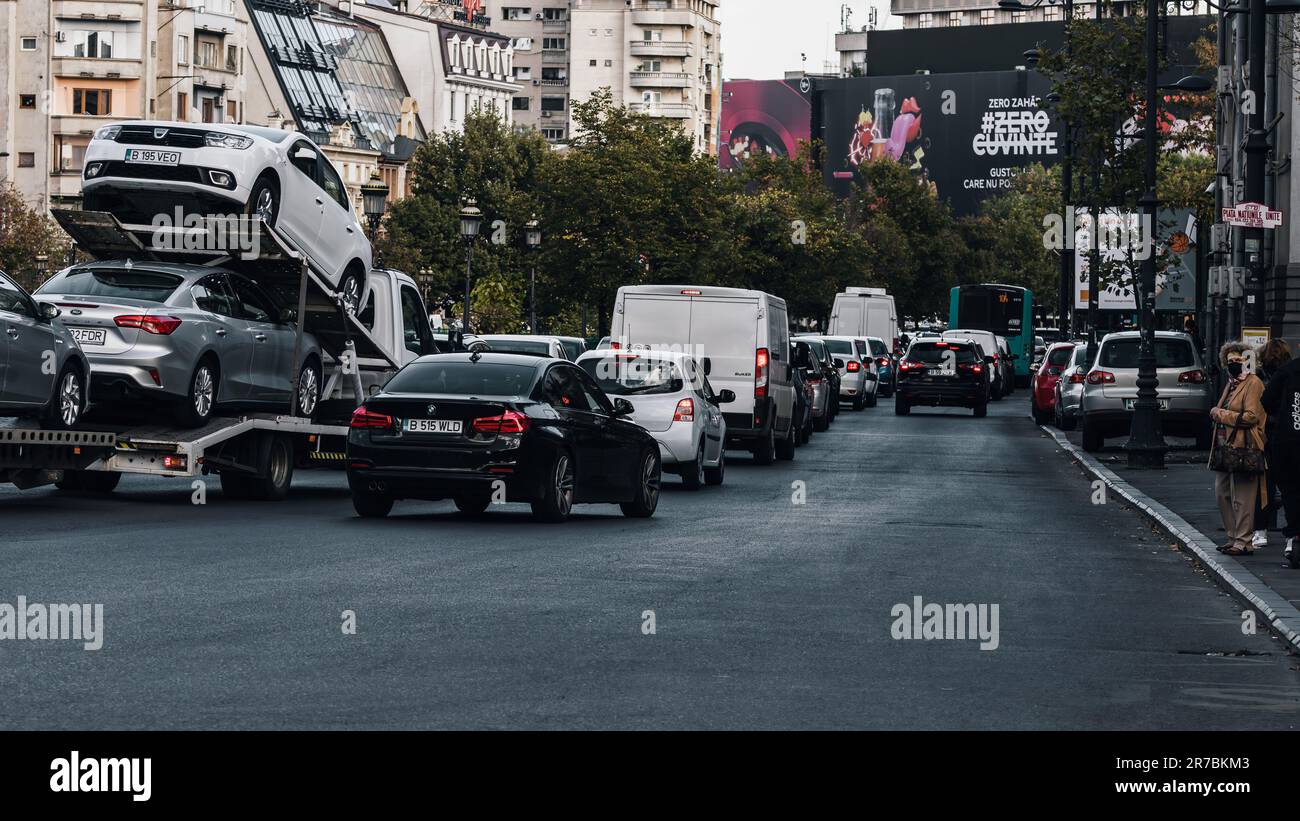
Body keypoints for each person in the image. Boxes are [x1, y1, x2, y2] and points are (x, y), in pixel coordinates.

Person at [1210, 342, 1269, 556]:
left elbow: (1251, 417)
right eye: (1230, 361)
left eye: (1238, 360)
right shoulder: (1231, 383)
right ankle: (1232, 537)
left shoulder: (1253, 383)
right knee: (1222, 492)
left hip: (1245, 446)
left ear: (1248, 361)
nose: (1233, 364)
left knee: (1242, 496)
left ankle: (1244, 541)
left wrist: (1220, 414)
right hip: (1225, 447)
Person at [1261, 340, 1300, 567]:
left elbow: (1266, 401)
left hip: (1288, 439)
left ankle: (1294, 536)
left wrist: (1284, 413)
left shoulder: (1288, 371)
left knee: (1290, 491)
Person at [1252, 339, 1293, 549]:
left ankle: (1260, 530)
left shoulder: (1259, 376)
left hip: (1266, 434)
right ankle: (1291, 535)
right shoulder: (1292, 372)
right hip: (1290, 432)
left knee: (1265, 485)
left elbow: (1264, 402)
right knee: (1290, 487)